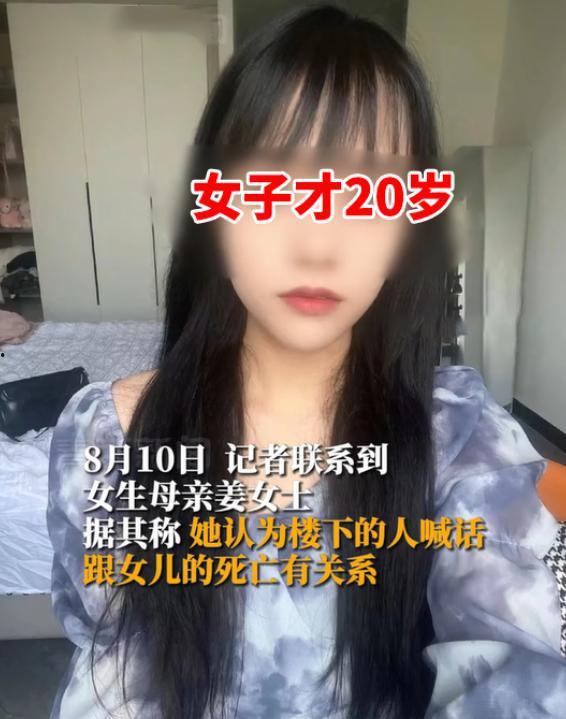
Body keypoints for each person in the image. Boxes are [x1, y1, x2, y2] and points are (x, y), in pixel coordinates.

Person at [47, 5, 566, 718]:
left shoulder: (459, 437)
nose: (318, 243)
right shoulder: (108, 434)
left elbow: (518, 660)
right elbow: (107, 667)